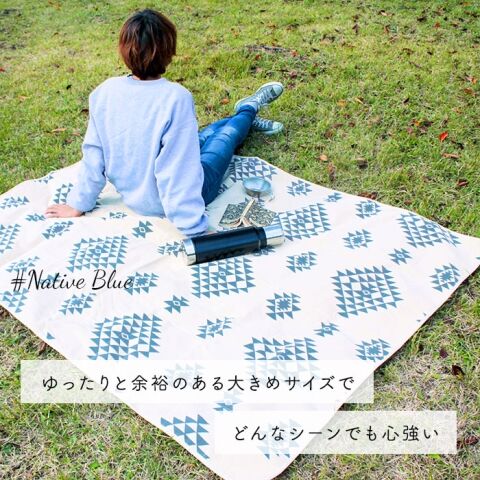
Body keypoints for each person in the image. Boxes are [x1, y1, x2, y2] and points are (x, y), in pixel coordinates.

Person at [45, 8, 284, 236]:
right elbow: (177, 170)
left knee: (207, 135)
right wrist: (193, 227)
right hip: (176, 198)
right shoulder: (176, 97)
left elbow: (94, 156)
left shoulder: (104, 91)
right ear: (169, 52)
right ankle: (249, 108)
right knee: (225, 138)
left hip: (138, 195)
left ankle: (243, 116)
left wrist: (78, 204)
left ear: (123, 50)